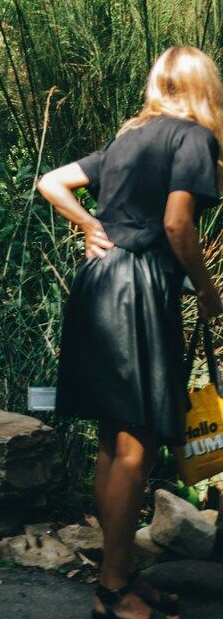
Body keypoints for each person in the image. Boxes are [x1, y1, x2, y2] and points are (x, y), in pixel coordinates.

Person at [39, 46, 223, 619]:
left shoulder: (127, 140)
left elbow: (51, 182)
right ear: (203, 88)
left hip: (99, 285)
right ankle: (113, 590)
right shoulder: (192, 138)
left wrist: (93, 225)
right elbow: (176, 223)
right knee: (135, 448)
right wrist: (208, 287)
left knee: (112, 443)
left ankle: (118, 576)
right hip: (137, 291)